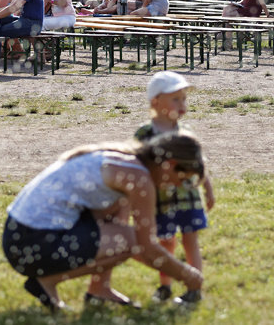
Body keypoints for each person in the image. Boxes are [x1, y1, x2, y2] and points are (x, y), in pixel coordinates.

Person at [2, 131, 205, 311]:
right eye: (184, 179)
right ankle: (46, 281)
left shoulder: (125, 159)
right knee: (130, 241)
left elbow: (114, 221)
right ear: (169, 165)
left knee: (122, 218)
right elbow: (147, 247)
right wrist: (189, 276)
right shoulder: (139, 178)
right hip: (31, 244)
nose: (179, 186)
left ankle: (100, 289)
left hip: (16, 237)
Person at [85, 72, 214, 305]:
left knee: (190, 240)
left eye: (184, 99)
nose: (182, 104)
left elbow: (199, 164)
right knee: (165, 242)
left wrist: (208, 189)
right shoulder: (145, 133)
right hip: (158, 199)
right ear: (155, 101)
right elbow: (136, 165)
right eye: (175, 99)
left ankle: (195, 287)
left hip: (188, 198)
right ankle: (165, 286)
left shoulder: (185, 133)